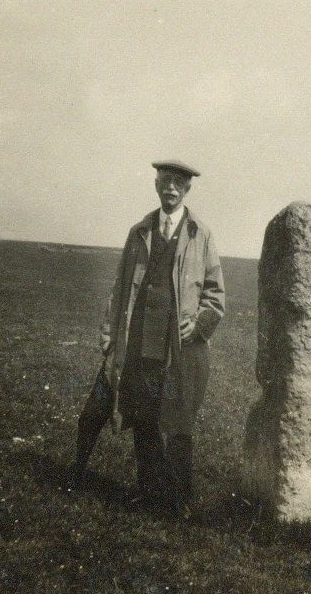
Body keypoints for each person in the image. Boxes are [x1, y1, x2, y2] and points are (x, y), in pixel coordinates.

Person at [69, 159, 225, 510]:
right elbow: (120, 288)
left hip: (176, 350)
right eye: (165, 181)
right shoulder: (139, 231)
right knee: (137, 417)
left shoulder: (201, 234)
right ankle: (138, 489)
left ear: (187, 190)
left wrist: (197, 325)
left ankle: (179, 503)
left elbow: (216, 296)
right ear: (156, 185)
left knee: (174, 424)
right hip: (137, 342)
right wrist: (110, 336)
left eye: (178, 184)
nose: (170, 188)